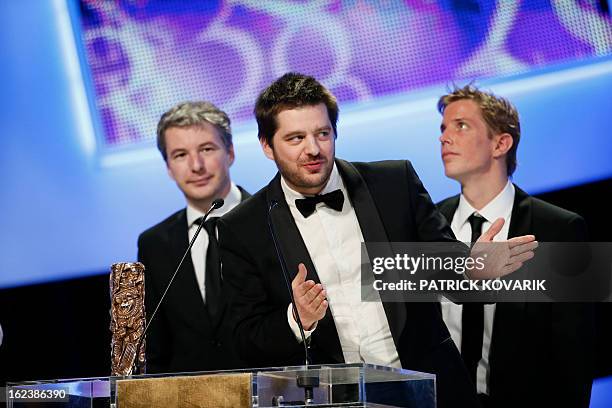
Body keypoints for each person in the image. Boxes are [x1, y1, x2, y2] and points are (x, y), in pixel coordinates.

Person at [218, 73, 535, 408]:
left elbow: (447, 270)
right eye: (295, 138)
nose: (313, 149)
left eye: (322, 134)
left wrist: (472, 269)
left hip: (427, 390)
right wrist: (297, 319)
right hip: (329, 401)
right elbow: (243, 341)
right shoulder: (243, 227)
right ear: (267, 145)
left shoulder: (393, 183)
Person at [436, 85, 594, 408]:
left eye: (460, 125)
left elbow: (573, 357)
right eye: (443, 128)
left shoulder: (558, 230)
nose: (444, 137)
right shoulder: (428, 224)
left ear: (501, 143)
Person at [137, 101, 249, 373]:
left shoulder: (271, 218)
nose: (196, 165)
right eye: (180, 155)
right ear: (168, 167)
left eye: (207, 149)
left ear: (230, 153)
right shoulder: (154, 244)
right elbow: (155, 346)